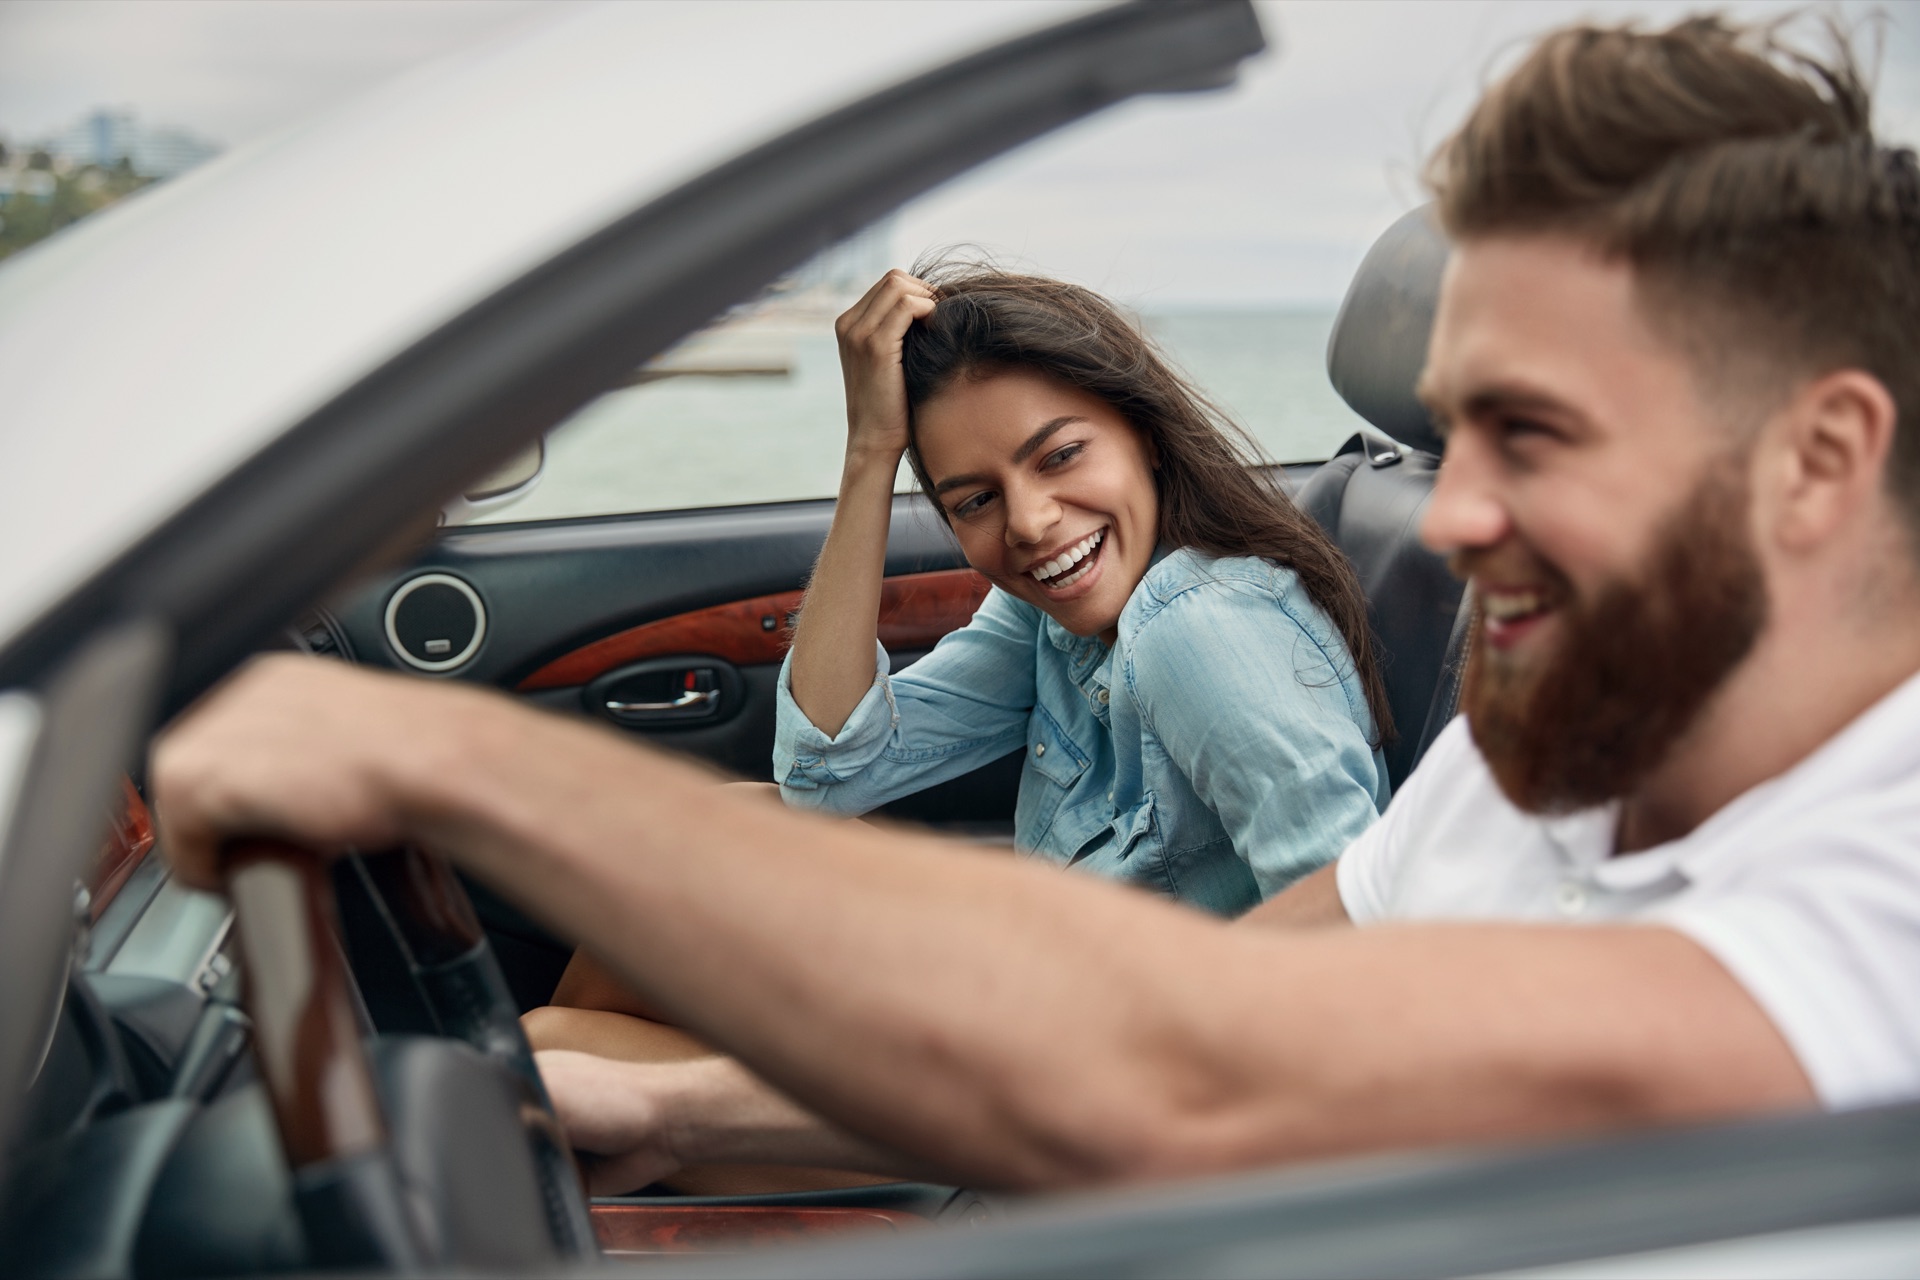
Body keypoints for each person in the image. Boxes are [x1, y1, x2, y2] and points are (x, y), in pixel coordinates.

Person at [154, 13, 1920, 1192]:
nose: (1450, 515)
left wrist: (446, 763)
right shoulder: (1547, 767)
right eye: (1450, 430)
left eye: (1530, 435)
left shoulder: (1884, 886)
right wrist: (664, 1107)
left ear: (1819, 456)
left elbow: (1208, 1070)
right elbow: (1225, 1019)